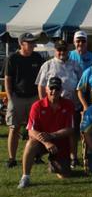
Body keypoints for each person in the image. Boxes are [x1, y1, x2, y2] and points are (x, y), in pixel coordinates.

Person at [18, 77, 73, 188]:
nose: (54, 91)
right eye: (51, 88)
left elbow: (70, 129)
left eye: (57, 89)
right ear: (46, 89)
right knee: (30, 143)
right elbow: (31, 131)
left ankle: (53, 164)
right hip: (41, 142)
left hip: (60, 141)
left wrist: (52, 135)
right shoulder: (37, 106)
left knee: (64, 175)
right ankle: (25, 177)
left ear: (61, 90)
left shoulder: (68, 104)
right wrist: (47, 142)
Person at [36, 39, 83, 167]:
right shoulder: (48, 65)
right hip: (53, 105)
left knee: (72, 132)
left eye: (64, 49)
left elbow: (82, 84)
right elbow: (41, 86)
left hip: (72, 105)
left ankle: (73, 157)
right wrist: (43, 103)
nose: (62, 52)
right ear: (55, 50)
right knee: (52, 131)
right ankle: (47, 153)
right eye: (59, 49)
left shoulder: (75, 64)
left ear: (68, 51)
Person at [5, 33, 45, 168]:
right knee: (14, 128)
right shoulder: (12, 58)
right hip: (17, 97)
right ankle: (12, 158)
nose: (33, 45)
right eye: (30, 42)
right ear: (21, 44)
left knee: (34, 129)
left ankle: (35, 156)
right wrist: (11, 99)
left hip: (34, 97)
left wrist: (40, 98)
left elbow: (42, 79)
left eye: (33, 42)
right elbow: (8, 79)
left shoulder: (37, 57)